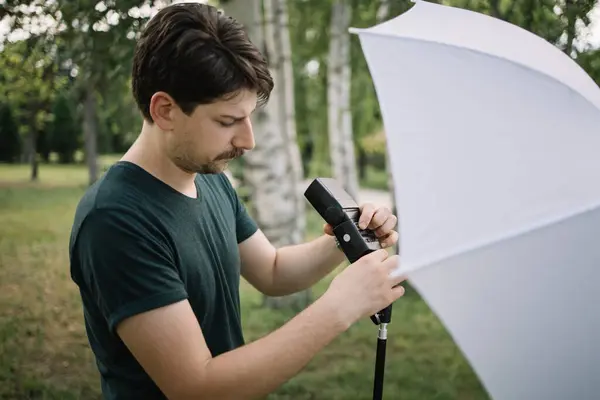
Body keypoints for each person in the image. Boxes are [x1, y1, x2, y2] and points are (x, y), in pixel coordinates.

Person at [68, 3, 406, 399]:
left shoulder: (210, 179)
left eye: (249, 118)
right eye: (228, 122)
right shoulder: (116, 220)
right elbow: (198, 386)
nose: (248, 141)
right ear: (165, 110)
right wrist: (339, 308)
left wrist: (345, 239)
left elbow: (273, 271)